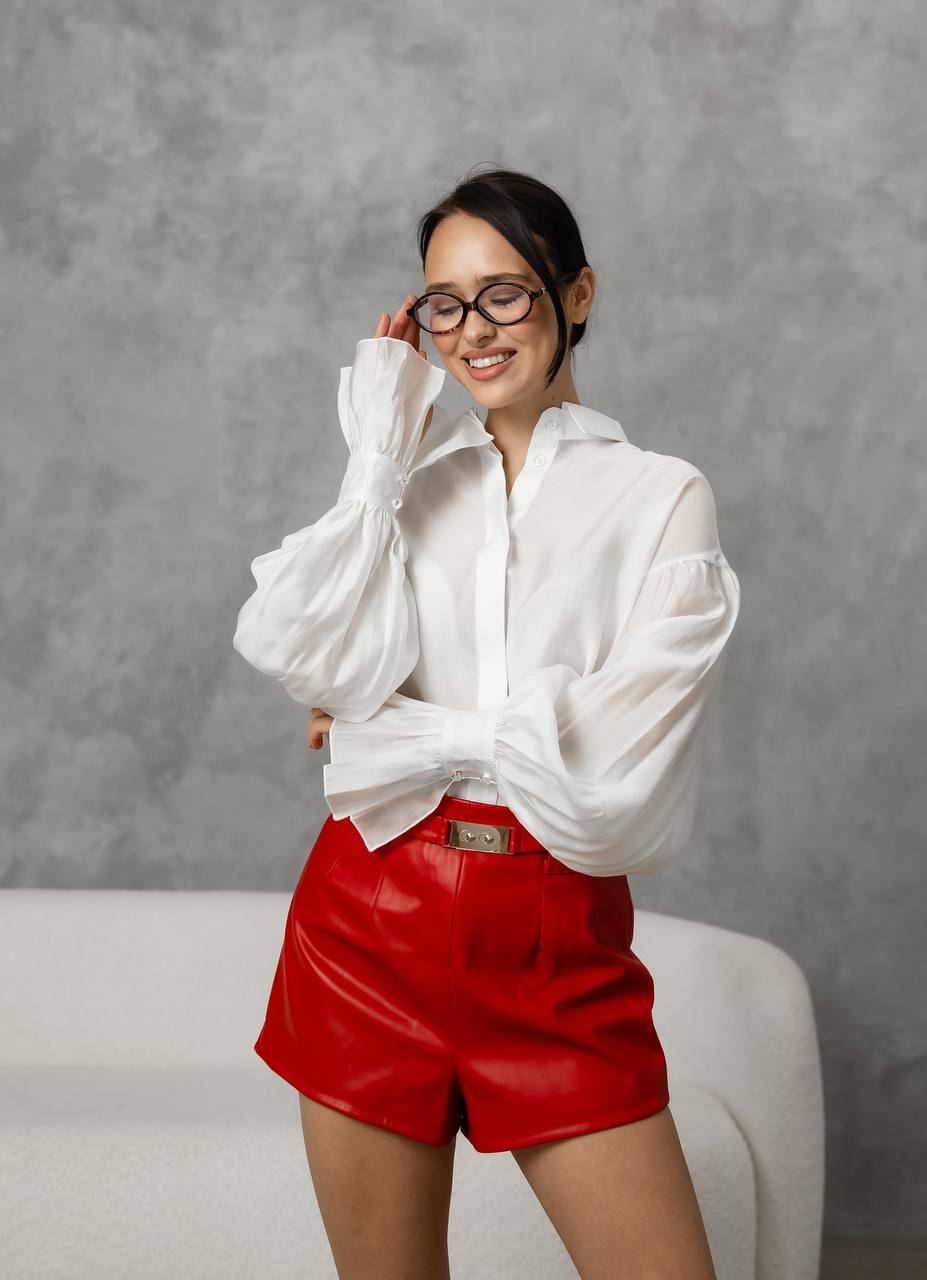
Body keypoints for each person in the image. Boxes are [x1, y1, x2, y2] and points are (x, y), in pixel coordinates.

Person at [233, 167, 739, 1280]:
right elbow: (308, 652)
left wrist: (402, 724)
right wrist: (376, 450)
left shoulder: (661, 494)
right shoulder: (403, 489)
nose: (473, 330)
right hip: (365, 924)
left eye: (505, 293)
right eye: (443, 304)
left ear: (578, 294)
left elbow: (621, 768)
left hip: (553, 935)